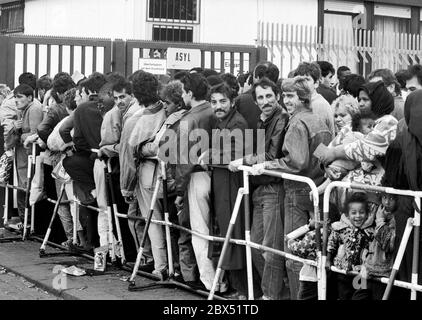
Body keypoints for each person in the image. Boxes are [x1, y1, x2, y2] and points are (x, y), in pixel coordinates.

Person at [248, 76, 333, 299]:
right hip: (316, 190)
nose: (286, 100)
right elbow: (320, 156)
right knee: (312, 254)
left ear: (302, 97)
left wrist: (265, 165)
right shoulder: (316, 119)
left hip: (297, 191)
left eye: (290, 95)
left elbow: (296, 162)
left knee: (294, 255)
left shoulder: (296, 122)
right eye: (284, 95)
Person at [231, 76, 289, 300]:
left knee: (270, 248)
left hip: (273, 187)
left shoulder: (280, 119)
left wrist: (244, 161)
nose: (265, 101)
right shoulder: (263, 120)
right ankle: (275, 292)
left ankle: (271, 295)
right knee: (256, 245)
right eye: (261, 97)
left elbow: (271, 155)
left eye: (269, 96)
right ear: (255, 101)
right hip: (260, 188)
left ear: (277, 96)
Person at [172, 72, 228, 292]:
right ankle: (223, 280)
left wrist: (178, 190)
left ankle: (210, 282)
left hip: (196, 176)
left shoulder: (188, 119)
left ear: (189, 92)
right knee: (218, 228)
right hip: (219, 174)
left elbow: (184, 160)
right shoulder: (213, 110)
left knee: (199, 231)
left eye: (184, 91)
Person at [120, 71, 169, 278]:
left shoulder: (134, 119)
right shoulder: (167, 110)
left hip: (146, 173)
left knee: (152, 219)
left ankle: (160, 265)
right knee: (166, 219)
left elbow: (127, 156)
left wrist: (126, 187)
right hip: (167, 170)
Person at [205, 83, 249, 299]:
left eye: (222, 101)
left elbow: (236, 152)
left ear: (232, 101)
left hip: (232, 185)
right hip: (223, 184)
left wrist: (208, 155)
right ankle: (239, 289)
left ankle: (243, 291)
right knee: (228, 234)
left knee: (234, 235)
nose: (218, 106)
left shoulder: (237, 123)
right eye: (214, 102)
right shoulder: (222, 122)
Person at [63, 72, 107, 253]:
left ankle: (99, 247)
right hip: (115, 161)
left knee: (97, 206)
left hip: (93, 161)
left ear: (88, 91)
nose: (77, 98)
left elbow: (73, 136)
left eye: (79, 94)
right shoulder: (113, 107)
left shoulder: (81, 110)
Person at [327, 192, 374, 300]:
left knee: (359, 297)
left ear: (367, 214)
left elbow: (373, 251)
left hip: (360, 274)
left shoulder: (370, 232)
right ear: (348, 214)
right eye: (354, 212)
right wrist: (328, 259)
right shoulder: (341, 228)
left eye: (361, 212)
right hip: (342, 273)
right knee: (344, 296)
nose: (358, 216)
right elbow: (331, 243)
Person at [11, 84, 44, 229]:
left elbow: (34, 134)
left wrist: (20, 133)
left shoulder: (34, 109)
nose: (16, 100)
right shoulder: (24, 110)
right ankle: (25, 222)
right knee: (23, 188)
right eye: (15, 97)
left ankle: (29, 223)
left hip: (29, 156)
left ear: (30, 97)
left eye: (20, 97)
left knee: (28, 188)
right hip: (24, 157)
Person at [294, 62, 335, 136]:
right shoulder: (301, 101)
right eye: (300, 80)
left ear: (316, 83)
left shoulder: (318, 105)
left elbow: (317, 138)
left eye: (307, 79)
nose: (303, 83)